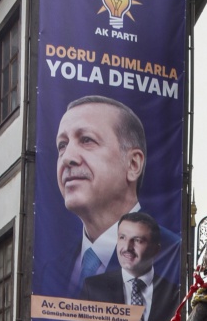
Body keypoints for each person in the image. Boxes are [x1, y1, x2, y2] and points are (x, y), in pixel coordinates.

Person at [55, 96, 181, 297]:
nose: (67, 157)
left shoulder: (173, 255)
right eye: (62, 145)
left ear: (133, 164)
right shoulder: (52, 270)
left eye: (86, 140)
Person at [81, 212, 178, 321]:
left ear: (155, 250)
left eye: (137, 240)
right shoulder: (93, 287)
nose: (127, 247)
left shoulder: (174, 294)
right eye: (122, 238)